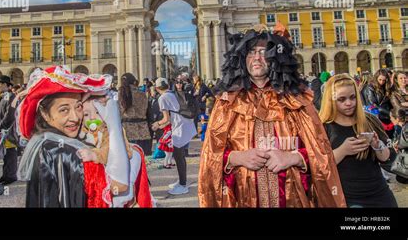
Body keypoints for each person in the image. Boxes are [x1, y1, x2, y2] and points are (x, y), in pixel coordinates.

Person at [198, 23, 346, 207]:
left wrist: (293, 157)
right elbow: (210, 155)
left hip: (293, 199)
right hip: (244, 198)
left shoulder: (297, 101)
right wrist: (238, 157)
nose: (257, 58)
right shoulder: (226, 103)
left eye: (264, 52)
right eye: (251, 52)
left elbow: (322, 153)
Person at [17, 66, 152, 207]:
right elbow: (119, 186)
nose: (75, 117)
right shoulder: (64, 151)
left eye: (79, 107)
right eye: (64, 110)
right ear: (44, 114)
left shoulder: (50, 141)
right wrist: (114, 126)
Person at [320, 74, 397, 207]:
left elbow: (389, 159)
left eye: (353, 97)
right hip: (346, 198)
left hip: (380, 194)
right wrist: (342, 151)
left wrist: (377, 145)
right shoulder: (323, 127)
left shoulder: (370, 120)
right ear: (330, 100)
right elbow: (318, 166)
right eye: (341, 99)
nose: (349, 103)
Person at [152, 77, 197, 195]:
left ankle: (182, 185)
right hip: (186, 124)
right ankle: (181, 181)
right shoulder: (173, 93)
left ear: (156, 88)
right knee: (179, 155)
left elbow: (166, 119)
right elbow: (170, 118)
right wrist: (162, 125)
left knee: (178, 156)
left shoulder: (162, 98)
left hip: (180, 128)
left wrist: (157, 124)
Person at [118, 73, 152, 155]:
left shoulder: (119, 95)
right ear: (134, 82)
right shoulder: (142, 94)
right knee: (141, 159)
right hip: (142, 131)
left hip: (126, 131)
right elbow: (149, 112)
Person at [0, 75, 17, 185]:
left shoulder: (10, 96)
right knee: (6, 154)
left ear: (6, 85)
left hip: (9, 131)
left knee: (10, 153)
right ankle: (5, 175)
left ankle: (11, 176)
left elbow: (9, 115)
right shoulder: (2, 96)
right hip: (3, 130)